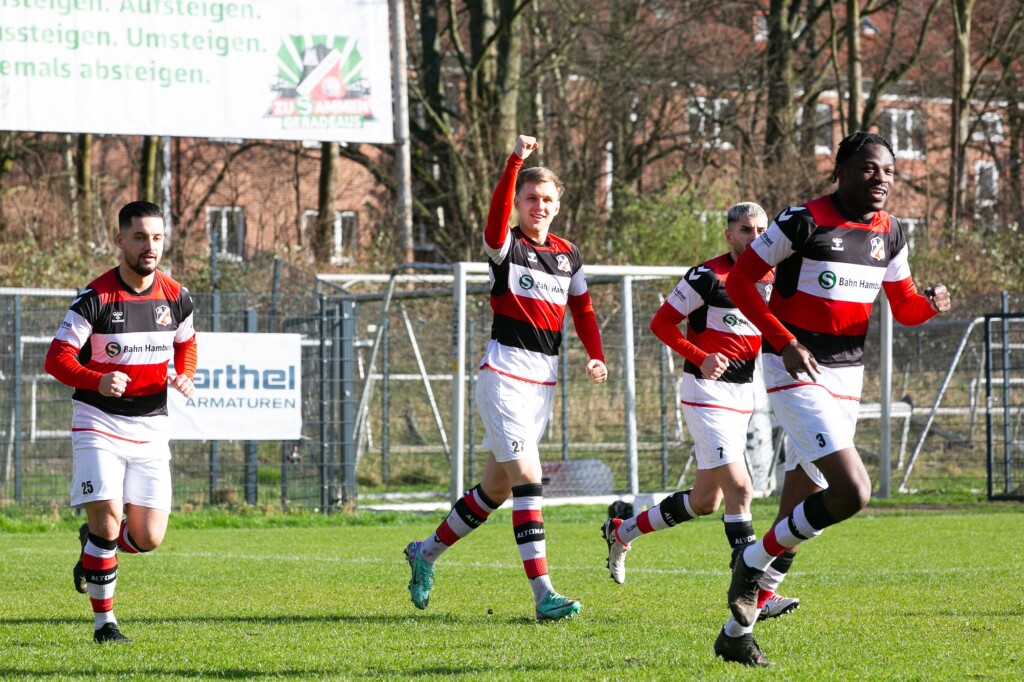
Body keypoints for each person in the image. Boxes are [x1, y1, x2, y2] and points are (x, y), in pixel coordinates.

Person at [715, 131, 951, 666]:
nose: (882, 179)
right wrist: (784, 341)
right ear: (840, 169)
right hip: (794, 367)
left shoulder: (890, 233)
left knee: (798, 513)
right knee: (853, 492)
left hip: (848, 375)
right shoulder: (801, 220)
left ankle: (735, 633)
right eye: (869, 169)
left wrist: (931, 303)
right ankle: (751, 559)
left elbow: (905, 306)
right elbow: (744, 283)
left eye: (889, 171)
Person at [403, 134, 608, 622]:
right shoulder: (506, 246)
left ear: (558, 207)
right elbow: (495, 219)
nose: (539, 206)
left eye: (547, 200)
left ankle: (424, 552)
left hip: (544, 383)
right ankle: (544, 596)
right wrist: (516, 161)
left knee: (494, 490)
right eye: (531, 198)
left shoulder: (567, 254)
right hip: (504, 376)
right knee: (528, 482)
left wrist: (595, 355)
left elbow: (582, 307)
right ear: (518, 203)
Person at [601, 202, 799, 621]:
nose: (755, 237)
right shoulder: (707, 276)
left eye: (762, 230)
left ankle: (622, 531)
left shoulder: (776, 277)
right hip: (705, 392)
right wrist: (700, 355)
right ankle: (754, 593)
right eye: (746, 229)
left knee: (706, 501)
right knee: (741, 491)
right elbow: (661, 324)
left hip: (745, 395)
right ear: (729, 235)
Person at [45, 200, 197, 643]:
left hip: (151, 425)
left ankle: (93, 545)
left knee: (148, 537)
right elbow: (56, 359)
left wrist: (185, 375)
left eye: (157, 238)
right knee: (108, 522)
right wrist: (96, 378)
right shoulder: (94, 299)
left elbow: (186, 343)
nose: (149, 246)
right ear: (120, 241)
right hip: (98, 421)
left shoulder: (176, 295)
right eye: (139, 237)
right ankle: (104, 624)